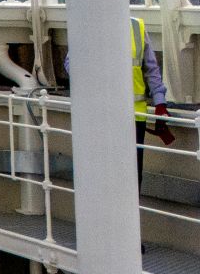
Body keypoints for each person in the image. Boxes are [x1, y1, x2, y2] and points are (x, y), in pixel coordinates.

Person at [66, 18, 175, 185]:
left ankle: (131, 210)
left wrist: (160, 103)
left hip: (134, 116)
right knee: (104, 171)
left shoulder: (137, 26)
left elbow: (151, 69)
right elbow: (71, 64)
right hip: (102, 115)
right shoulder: (87, 22)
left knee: (132, 174)